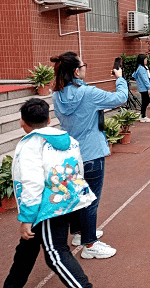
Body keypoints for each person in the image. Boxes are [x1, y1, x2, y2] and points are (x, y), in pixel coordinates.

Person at [3, 98, 94, 288]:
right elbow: (78, 170)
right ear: (48, 120)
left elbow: (32, 183)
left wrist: (27, 218)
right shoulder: (69, 140)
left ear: (22, 121)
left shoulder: (31, 144)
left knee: (56, 253)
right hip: (67, 200)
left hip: (47, 208)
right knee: (26, 250)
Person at [51, 52, 127, 259]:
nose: (85, 68)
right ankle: (90, 244)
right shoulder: (88, 93)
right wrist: (120, 78)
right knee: (90, 200)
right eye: (83, 65)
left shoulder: (56, 94)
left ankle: (78, 233)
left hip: (70, 154)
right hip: (91, 153)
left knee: (77, 196)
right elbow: (120, 98)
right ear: (76, 71)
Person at [132, 54, 150, 122]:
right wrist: (149, 88)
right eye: (145, 59)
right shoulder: (142, 69)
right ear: (142, 60)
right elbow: (145, 79)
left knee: (145, 101)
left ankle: (142, 115)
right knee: (146, 101)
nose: (146, 60)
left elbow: (134, 75)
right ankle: (143, 116)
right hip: (144, 88)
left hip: (141, 87)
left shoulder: (139, 68)